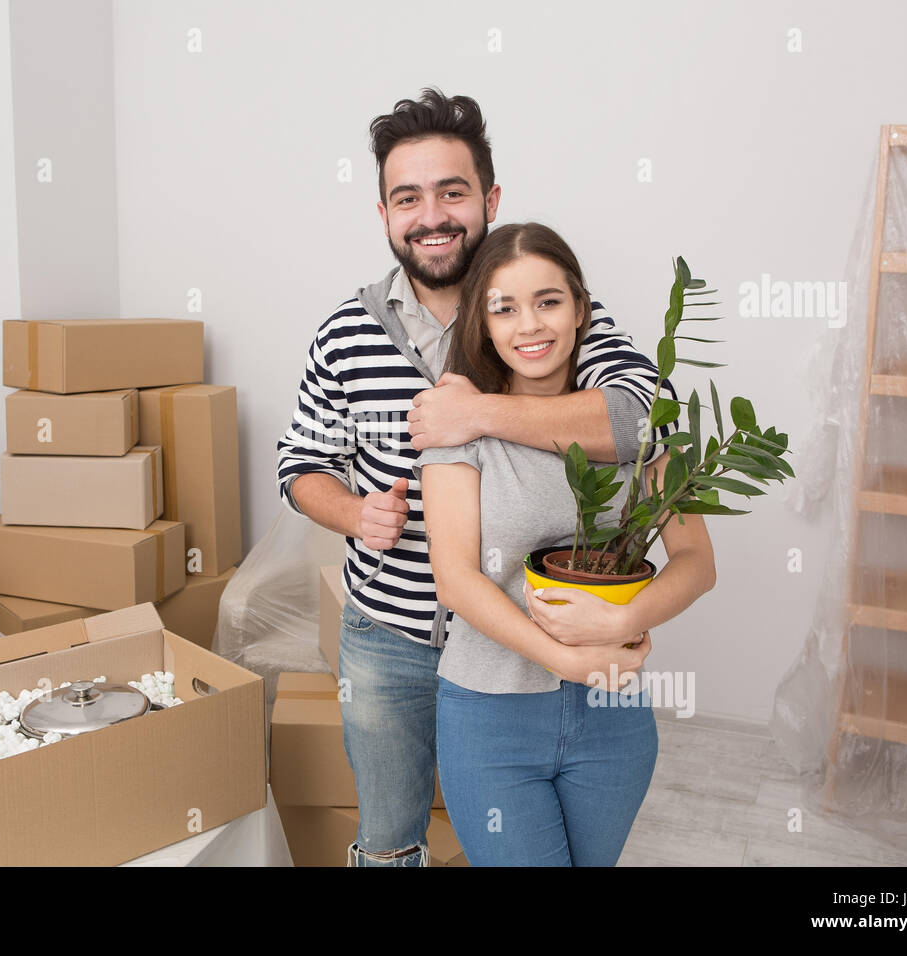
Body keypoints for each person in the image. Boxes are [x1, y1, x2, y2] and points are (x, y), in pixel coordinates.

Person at [274, 89, 678, 866]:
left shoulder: (549, 314)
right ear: (385, 214)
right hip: (390, 638)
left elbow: (637, 423)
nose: (432, 215)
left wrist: (480, 414)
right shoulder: (345, 332)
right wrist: (356, 516)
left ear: (489, 199)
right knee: (391, 837)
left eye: (452, 192)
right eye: (408, 197)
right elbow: (300, 463)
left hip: (525, 641)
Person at [414, 221, 717, 865]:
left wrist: (628, 617)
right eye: (505, 307)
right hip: (489, 716)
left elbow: (696, 562)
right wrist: (564, 657)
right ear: (484, 325)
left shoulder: (633, 432)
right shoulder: (456, 427)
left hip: (614, 714)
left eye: (548, 301)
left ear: (581, 309)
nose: (530, 325)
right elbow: (455, 578)